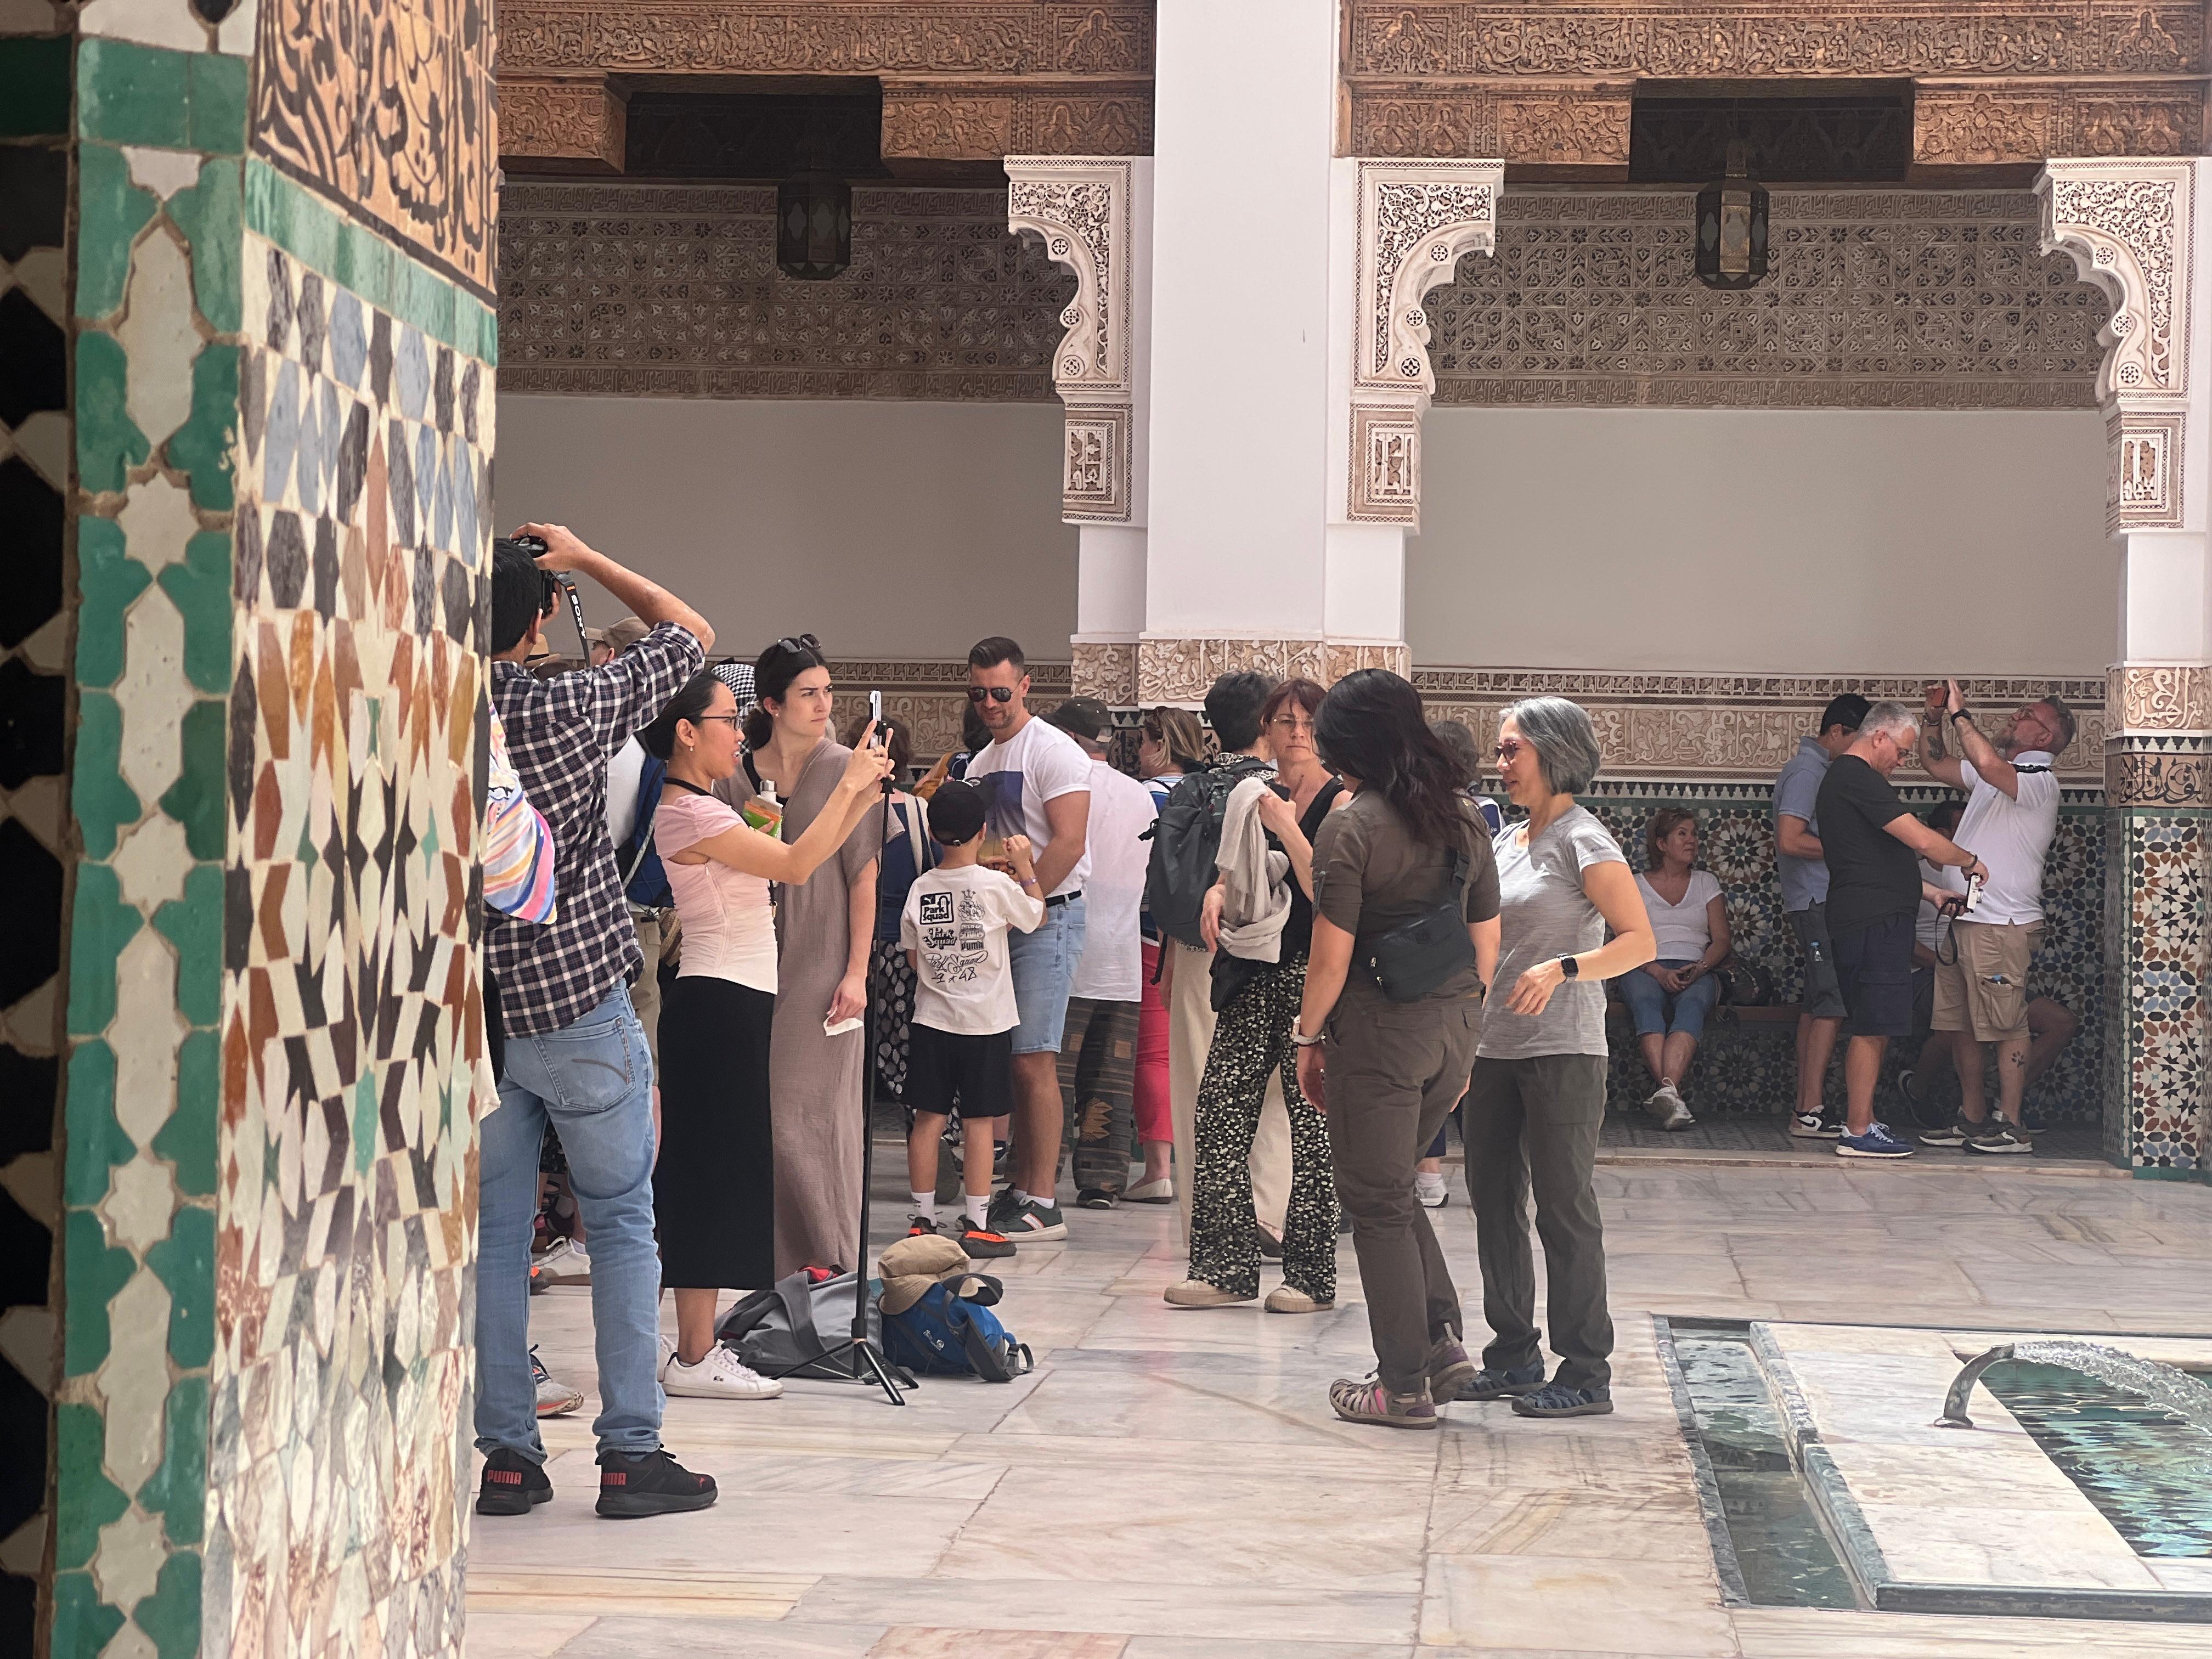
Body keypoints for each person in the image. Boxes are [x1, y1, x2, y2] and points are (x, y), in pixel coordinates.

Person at [479, 523, 718, 1519]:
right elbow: (690, 633)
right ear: (540, 615)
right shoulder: (572, 698)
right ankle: (629, 1451)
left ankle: (506, 1456)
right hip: (576, 994)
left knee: (496, 1242)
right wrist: (584, 558)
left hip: (473, 1015)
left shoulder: (424, 704)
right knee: (621, 1222)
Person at [641, 671, 893, 1397]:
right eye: (726, 720)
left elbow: (792, 846)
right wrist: (852, 784)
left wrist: (854, 790)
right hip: (715, 1001)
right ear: (688, 732)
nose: (739, 732)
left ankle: (696, 1348)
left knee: (724, 1176)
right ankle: (693, 1356)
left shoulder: (719, 808)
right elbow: (793, 864)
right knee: (711, 1180)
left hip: (739, 1002)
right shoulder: (690, 813)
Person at [1293, 672, 1499, 1427]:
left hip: (1380, 1035)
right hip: (1453, 1028)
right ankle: (1441, 1343)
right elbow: (1488, 943)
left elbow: (1330, 961)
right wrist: (1468, 1038)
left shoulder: (1351, 828)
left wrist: (1307, 1038)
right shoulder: (1467, 819)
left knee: (1375, 1202)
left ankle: (1402, 1385)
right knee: (1394, 1190)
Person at [1461, 697, 1656, 1421]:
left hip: (1565, 1052)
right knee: (1493, 1201)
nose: (1501, 764)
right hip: (1494, 1049)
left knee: (1564, 1209)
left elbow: (1640, 941)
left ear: (1554, 752)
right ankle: (1513, 1355)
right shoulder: (1508, 842)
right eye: (1500, 751)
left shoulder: (1586, 840)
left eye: (1513, 750)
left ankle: (1586, 1370)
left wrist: (1565, 967)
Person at [1166, 678, 1342, 1312]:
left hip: (1309, 976)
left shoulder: (1341, 802)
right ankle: (1222, 1266)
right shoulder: (1254, 793)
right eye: (1285, 721)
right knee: (1218, 1113)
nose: (1296, 733)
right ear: (1265, 730)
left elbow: (1331, 893)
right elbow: (1231, 871)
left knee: (1311, 1129)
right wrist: (1216, 894)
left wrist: (1289, 830)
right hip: (1250, 968)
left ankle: (1311, 1277)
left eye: (1307, 723)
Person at [716, 636, 883, 1275]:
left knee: (807, 1115)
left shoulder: (847, 767)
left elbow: (863, 876)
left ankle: (829, 1257)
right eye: (808, 694)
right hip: (747, 958)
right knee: (759, 1115)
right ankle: (775, 1261)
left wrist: (858, 971)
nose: (823, 704)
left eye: (828, 692)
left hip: (823, 962)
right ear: (771, 703)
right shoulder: (735, 772)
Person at [1157, 673, 1296, 1254]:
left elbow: (1166, 887)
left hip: (1198, 954)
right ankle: (1265, 1210)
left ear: (1213, 726)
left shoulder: (1191, 791)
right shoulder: (1288, 791)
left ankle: (1208, 1229)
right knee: (1276, 1090)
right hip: (1274, 952)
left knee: (1197, 1093)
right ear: (1268, 722)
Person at [1813, 702, 1989, 1159]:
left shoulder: (1852, 782)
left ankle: (1864, 1120)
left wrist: (1929, 894)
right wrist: (1970, 861)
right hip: (1870, 922)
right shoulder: (1857, 778)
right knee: (1871, 1025)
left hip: (1877, 916)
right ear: (1879, 737)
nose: (1903, 762)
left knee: (1877, 1023)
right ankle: (1857, 1130)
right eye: (1904, 753)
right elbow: (1921, 840)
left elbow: (1878, 861)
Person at [962, 638, 1092, 1242]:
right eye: (979, 693)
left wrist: (1029, 907)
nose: (990, 703)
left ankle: (1043, 1198)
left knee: (1036, 1057)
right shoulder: (981, 762)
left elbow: (1068, 840)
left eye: (1001, 692)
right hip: (1002, 921)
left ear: (1026, 685)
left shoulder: (1054, 751)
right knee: (1009, 1058)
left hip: (1048, 916)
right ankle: (1020, 1186)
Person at [1912, 682, 2072, 1154]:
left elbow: (1985, 763)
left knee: (2007, 1026)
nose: (2016, 715)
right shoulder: (1994, 776)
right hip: (1964, 920)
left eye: (2028, 715)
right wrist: (1934, 717)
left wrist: (1961, 715)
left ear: (2044, 739)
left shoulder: (2038, 781)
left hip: (2001, 925)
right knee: (1959, 1024)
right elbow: (1934, 763)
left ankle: (2013, 1125)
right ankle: (1973, 1117)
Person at [900, 781, 1047, 1256]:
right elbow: (1035, 917)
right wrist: (1025, 867)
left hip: (932, 1020)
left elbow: (912, 956)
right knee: (980, 1121)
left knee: (929, 1119)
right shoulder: (995, 885)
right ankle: (978, 1223)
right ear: (982, 830)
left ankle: (923, 1219)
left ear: (932, 831)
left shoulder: (921, 888)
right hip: (986, 1023)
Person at [1044, 698, 1161, 1209]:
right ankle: (1103, 1183)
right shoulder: (1141, 796)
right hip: (1121, 954)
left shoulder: (1063, 789)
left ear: (1067, 740)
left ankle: (1039, 1178)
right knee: (1109, 1078)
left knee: (1050, 1073)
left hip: (1062, 949)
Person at [1417, 719, 1507, 1206]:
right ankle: (1487, 1175)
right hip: (1481, 947)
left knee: (1434, 1069)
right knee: (1470, 1065)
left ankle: (1429, 1174)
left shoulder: (1424, 811)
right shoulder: (1488, 811)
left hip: (1433, 947)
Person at [1774, 693, 1870, 1138]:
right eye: (1856, 741)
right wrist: (1851, 853)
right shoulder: (1807, 772)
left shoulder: (1819, 770)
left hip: (1820, 901)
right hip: (1815, 902)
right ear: (1836, 733)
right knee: (1831, 1002)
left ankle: (1806, 1107)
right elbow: (1791, 840)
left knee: (1819, 1005)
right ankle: (1809, 1110)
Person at [1129, 707, 1209, 1201]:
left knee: (1151, 1053)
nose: (1138, 752)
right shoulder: (1205, 795)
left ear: (1160, 744)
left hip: (1146, 931)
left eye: (1142, 742)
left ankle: (1158, 1166)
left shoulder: (1143, 797)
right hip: (1199, 931)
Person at [1620, 809, 1731, 1131]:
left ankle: (1669, 1096)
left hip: (1696, 967)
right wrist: (1656, 972)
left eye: (1694, 834)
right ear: (1661, 844)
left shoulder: (1706, 883)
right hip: (1644, 967)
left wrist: (1700, 967)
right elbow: (1624, 938)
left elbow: (1722, 940)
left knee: (1693, 1007)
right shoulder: (1636, 885)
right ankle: (1674, 1097)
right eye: (1682, 834)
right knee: (1646, 1005)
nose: (1692, 841)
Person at [843, 712, 932, 1114]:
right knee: (904, 1052)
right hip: (905, 948)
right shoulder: (919, 812)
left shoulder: (844, 809)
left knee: (851, 1050)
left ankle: (851, 1133)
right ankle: (926, 1138)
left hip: (851, 947)